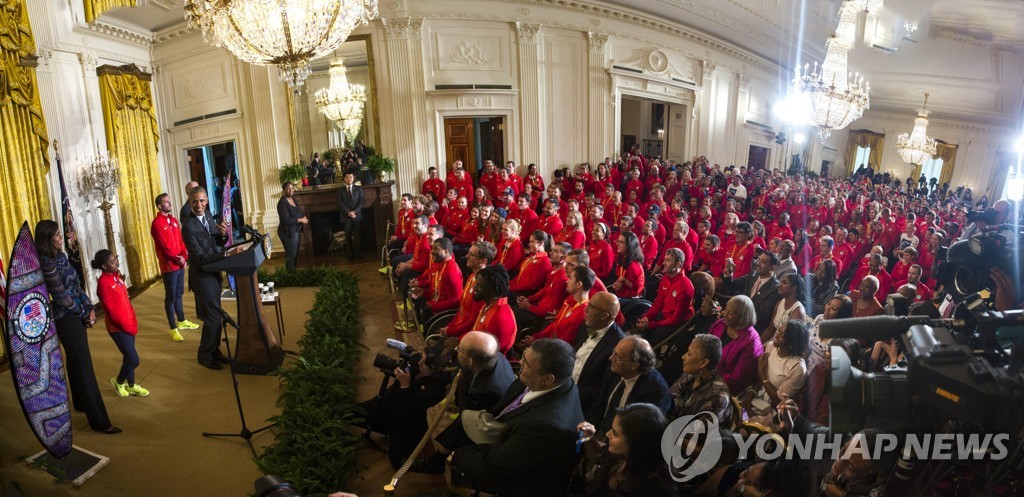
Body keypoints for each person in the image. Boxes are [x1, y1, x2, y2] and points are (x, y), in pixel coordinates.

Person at [450, 338, 585, 497]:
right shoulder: (554, 383)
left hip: (523, 481)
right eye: (524, 357)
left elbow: (495, 467)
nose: (520, 363)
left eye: (527, 364)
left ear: (548, 379)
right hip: (509, 440)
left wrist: (456, 455)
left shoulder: (546, 427)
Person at [35, 220, 120, 434]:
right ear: (47, 239)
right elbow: (62, 297)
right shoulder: (46, 263)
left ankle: (81, 403)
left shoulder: (61, 257)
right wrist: (83, 313)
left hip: (77, 312)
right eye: (55, 235)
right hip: (64, 317)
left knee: (75, 360)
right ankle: (100, 421)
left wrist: (89, 306)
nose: (60, 237)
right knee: (84, 365)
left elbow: (75, 285)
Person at [410, 331, 517, 474]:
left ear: (472, 361)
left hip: (490, 423)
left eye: (460, 349)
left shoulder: (487, 390)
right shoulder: (492, 357)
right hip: (478, 404)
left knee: (461, 426)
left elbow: (471, 414)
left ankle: (437, 462)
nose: (456, 350)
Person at [180, 187, 231, 370]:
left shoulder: (208, 215)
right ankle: (204, 354)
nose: (198, 205)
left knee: (216, 316)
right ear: (189, 202)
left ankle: (214, 351)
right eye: (194, 202)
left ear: (207, 200)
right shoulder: (188, 227)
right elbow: (200, 258)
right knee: (212, 318)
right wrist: (225, 255)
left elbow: (215, 242)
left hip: (214, 274)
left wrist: (223, 235)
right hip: (202, 277)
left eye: (201, 201)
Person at [578, 403, 676, 496]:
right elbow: (600, 458)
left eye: (615, 433)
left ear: (637, 442)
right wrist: (589, 438)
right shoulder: (621, 455)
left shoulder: (658, 488)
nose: (607, 434)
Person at [91, 250, 149, 398]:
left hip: (128, 323)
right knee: (134, 359)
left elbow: (126, 301)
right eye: (112, 261)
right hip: (118, 328)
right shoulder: (104, 283)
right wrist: (126, 326)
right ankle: (119, 381)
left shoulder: (117, 277)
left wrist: (132, 320)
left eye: (115, 258)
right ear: (104, 266)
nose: (116, 262)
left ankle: (131, 385)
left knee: (128, 357)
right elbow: (111, 311)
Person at [586, 336, 671, 436]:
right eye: (614, 352)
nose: (611, 358)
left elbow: (641, 432)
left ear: (634, 365)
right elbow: (598, 405)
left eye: (618, 357)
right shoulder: (614, 370)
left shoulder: (655, 389)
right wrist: (589, 430)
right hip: (600, 433)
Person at [151, 192, 199, 342]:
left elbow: (181, 240)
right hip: (169, 266)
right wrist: (176, 259)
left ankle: (182, 320)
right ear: (160, 206)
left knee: (179, 293)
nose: (169, 203)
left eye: (169, 200)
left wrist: (184, 257)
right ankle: (173, 328)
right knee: (170, 297)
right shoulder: (157, 223)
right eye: (166, 201)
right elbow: (164, 247)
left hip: (180, 263)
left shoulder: (173, 220)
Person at [572, 291, 626, 415]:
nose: (586, 309)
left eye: (591, 306)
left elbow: (604, 391)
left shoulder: (618, 345)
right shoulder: (586, 325)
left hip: (581, 401)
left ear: (604, 316)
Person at [667, 333, 733, 426]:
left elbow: (696, 436)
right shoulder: (688, 375)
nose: (683, 356)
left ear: (703, 363)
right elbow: (668, 403)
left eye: (689, 354)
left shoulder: (717, 397)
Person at [636, 248, 695, 344]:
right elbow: (657, 303)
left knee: (656, 334)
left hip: (677, 323)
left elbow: (675, 320)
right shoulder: (665, 279)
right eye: (664, 259)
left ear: (678, 264)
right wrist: (647, 317)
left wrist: (651, 325)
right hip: (664, 316)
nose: (663, 263)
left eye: (668, 260)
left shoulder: (686, 287)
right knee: (640, 319)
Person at [709, 295, 764, 394]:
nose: (724, 314)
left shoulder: (751, 343)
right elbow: (704, 347)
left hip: (723, 387)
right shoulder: (720, 324)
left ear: (742, 318)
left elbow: (737, 377)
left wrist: (708, 380)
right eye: (726, 310)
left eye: (730, 313)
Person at [443, 241, 497, 340]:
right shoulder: (472, 276)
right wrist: (450, 327)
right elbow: (462, 309)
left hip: (467, 336)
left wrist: (451, 331)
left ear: (483, 261)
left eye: (471, 254)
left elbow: (472, 322)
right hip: (457, 329)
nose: (466, 256)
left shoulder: (482, 287)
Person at [720, 249, 782, 334]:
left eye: (763, 262)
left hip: (751, 328)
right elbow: (732, 284)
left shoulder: (775, 288)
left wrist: (736, 314)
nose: (758, 263)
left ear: (772, 267)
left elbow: (762, 316)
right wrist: (729, 272)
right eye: (759, 260)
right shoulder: (753, 275)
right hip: (737, 320)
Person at [470, 264, 517, 353]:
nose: (474, 288)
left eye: (479, 285)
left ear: (492, 289)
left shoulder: (499, 317)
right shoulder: (489, 304)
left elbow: (489, 354)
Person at [761, 273, 807, 342]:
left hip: (783, 347)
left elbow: (788, 341)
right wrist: (758, 345)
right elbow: (770, 329)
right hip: (772, 342)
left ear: (794, 288)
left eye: (784, 283)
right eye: (780, 282)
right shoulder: (779, 303)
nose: (779, 285)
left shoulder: (798, 311)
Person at [276, 182, 308, 271]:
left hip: (295, 231)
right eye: (288, 188)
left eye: (292, 188)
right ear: (284, 190)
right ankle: (289, 276)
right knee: (291, 256)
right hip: (288, 233)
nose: (291, 190)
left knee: (294, 254)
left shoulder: (292, 198)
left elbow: (296, 212)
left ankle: (293, 274)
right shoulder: (282, 202)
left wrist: (303, 216)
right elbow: (285, 220)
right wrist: (301, 220)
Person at [337, 171, 364, 261]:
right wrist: (348, 212)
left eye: (351, 177)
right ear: (344, 179)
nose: (349, 179)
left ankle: (358, 254)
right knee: (347, 236)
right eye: (347, 177)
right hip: (346, 216)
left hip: (357, 216)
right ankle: (350, 254)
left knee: (357, 235)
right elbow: (340, 204)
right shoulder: (340, 190)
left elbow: (361, 202)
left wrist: (354, 212)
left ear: (353, 178)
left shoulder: (358, 188)